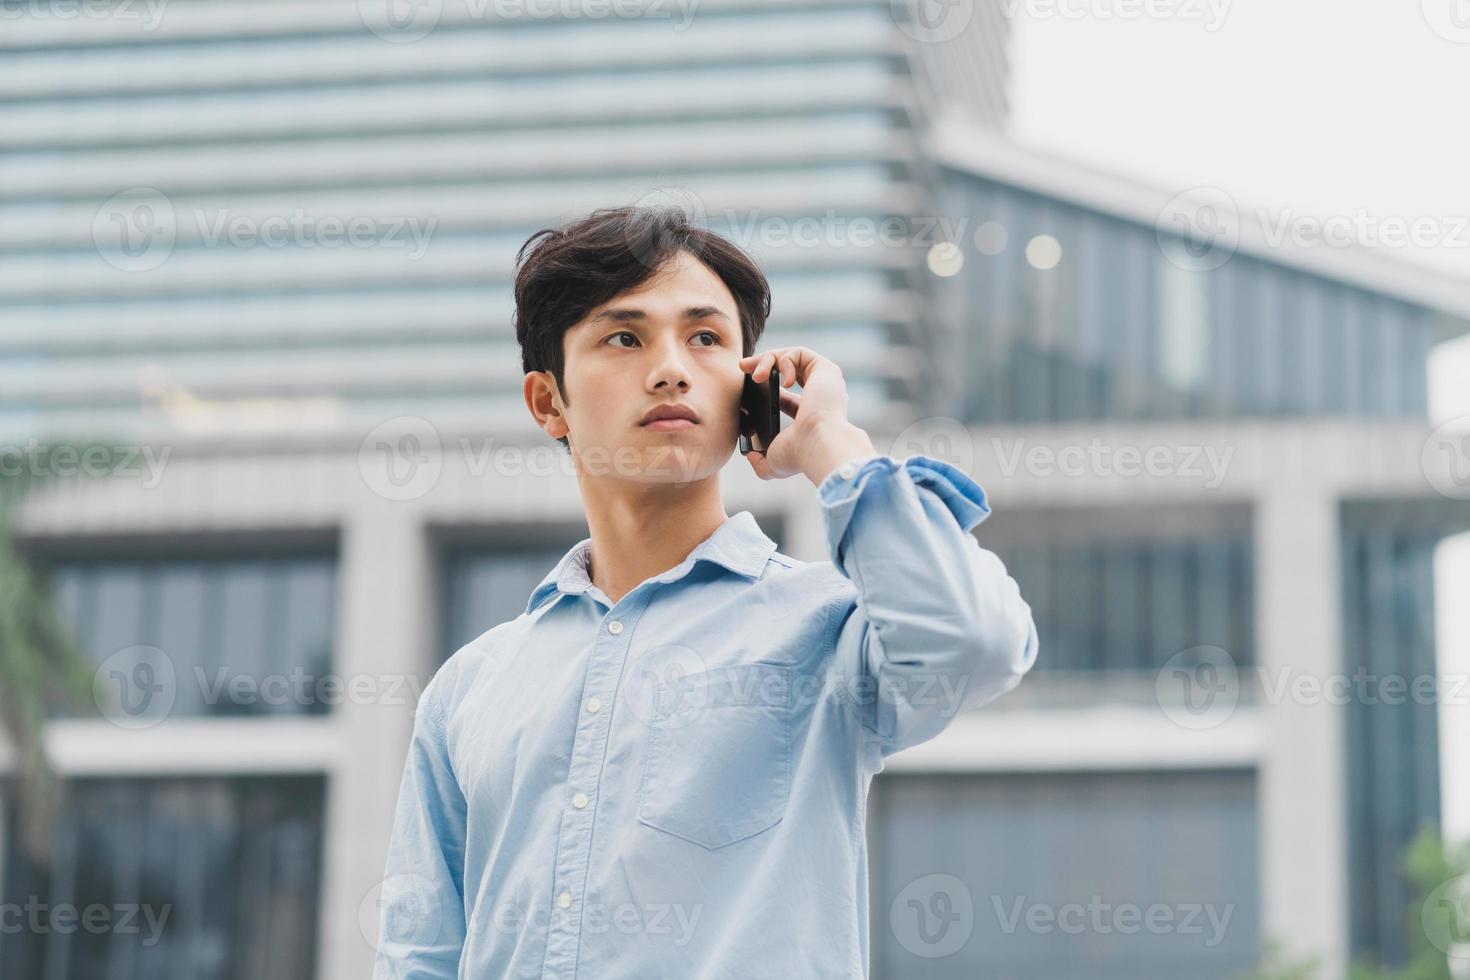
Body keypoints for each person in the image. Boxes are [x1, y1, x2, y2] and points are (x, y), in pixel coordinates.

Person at [372, 205, 1039, 979]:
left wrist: (830, 445)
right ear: (548, 401)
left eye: (707, 338)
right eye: (625, 337)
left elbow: (976, 643)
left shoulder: (827, 629)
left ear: (747, 387)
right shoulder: (470, 688)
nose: (670, 367)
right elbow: (418, 955)